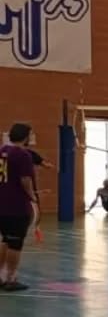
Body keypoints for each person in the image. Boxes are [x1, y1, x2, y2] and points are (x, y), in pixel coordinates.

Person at [0, 122, 40, 293]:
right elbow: (25, 180)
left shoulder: (2, 151)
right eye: (31, 134)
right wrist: (32, 197)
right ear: (25, 136)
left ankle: (1, 275)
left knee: (5, 240)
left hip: (2, 203)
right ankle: (11, 278)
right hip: (16, 206)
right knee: (15, 243)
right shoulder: (22, 155)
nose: (32, 138)